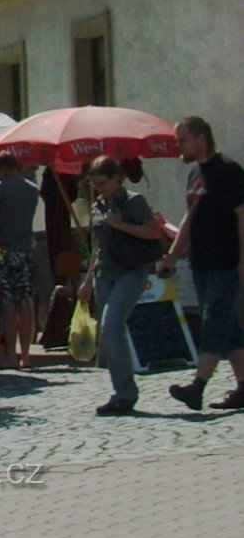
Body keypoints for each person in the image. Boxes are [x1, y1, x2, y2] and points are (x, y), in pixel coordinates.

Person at [161, 116, 244, 412]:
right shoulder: (194, 173)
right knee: (230, 327)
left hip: (226, 261)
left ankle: (197, 387)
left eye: (182, 140)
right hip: (201, 261)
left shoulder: (229, 170)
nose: (178, 146)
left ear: (201, 139)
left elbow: (242, 216)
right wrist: (172, 254)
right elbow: (189, 218)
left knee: (214, 320)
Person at [78, 156, 170, 415]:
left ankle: (126, 394)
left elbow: (154, 232)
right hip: (103, 273)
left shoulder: (133, 201)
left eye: (103, 183)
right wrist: (86, 280)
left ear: (117, 179)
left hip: (130, 271)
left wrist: (119, 224)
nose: (99, 188)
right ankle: (122, 392)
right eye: (94, 184)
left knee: (111, 326)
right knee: (109, 334)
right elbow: (96, 245)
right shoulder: (96, 206)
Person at [0, 152, 42, 370]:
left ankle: (10, 355)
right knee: (25, 302)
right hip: (25, 251)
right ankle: (26, 354)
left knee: (7, 303)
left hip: (3, 250)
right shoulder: (32, 190)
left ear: (4, 168)